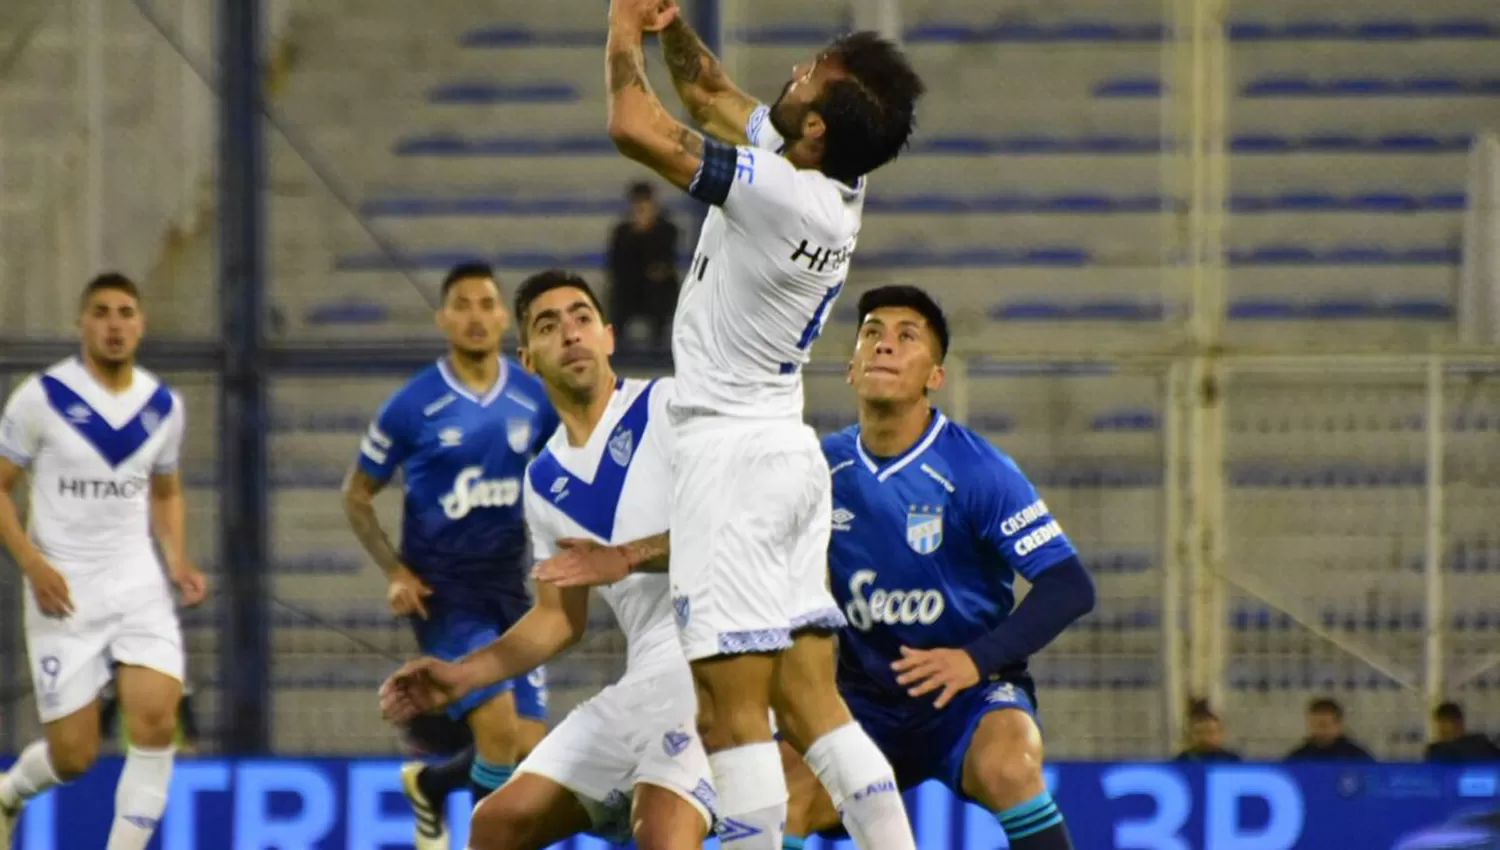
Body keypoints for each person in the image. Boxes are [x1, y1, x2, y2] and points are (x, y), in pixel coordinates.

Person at [535, 286, 1095, 850]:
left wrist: (975, 660)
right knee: (782, 798)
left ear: (935, 377)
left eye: (907, 337)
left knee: (1010, 764)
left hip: (966, 698)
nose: (884, 346)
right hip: (862, 700)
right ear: (851, 367)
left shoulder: (977, 471)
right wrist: (625, 556)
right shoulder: (819, 465)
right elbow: (723, 538)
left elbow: (1069, 585)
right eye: (872, 333)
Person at [603, 0, 925, 846]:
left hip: (732, 461)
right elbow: (707, 91)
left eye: (807, 74)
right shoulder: (830, 173)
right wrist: (669, 22)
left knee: (731, 716)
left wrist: (620, 27)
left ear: (814, 126)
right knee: (814, 706)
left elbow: (637, 127)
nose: (790, 73)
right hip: (785, 452)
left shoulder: (779, 193)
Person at [380, 270, 714, 850]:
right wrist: (460, 677)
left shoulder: (668, 405)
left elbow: (733, 529)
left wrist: (628, 556)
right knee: (496, 825)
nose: (570, 333)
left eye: (582, 317)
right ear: (527, 358)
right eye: (549, 324)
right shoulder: (543, 479)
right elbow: (560, 618)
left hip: (720, 659)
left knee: (661, 831)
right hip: (648, 677)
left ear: (608, 337)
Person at [342, 262, 557, 850]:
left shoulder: (533, 397)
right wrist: (395, 570)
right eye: (462, 305)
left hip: (513, 589)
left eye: (487, 304)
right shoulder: (414, 404)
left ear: (502, 318)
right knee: (498, 731)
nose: (476, 316)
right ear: (443, 318)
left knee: (530, 750)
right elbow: (357, 494)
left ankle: (433, 786)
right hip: (445, 594)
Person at [0, 273, 209, 850]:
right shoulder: (40, 398)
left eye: (125, 313)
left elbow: (165, 491)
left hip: (137, 586)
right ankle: (10, 792)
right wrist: (33, 565)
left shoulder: (163, 406)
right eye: (102, 313)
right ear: (81, 324)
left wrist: (177, 561)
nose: (114, 325)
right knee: (75, 756)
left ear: (141, 324)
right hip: (62, 592)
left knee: (156, 722)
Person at [606, 182, 680, 353]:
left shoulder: (666, 230)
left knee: (660, 287)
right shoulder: (622, 232)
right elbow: (617, 265)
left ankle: (659, 343)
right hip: (630, 287)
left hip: (655, 289)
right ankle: (618, 346)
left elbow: (665, 262)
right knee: (620, 290)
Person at [1285, 697, 1375, 761]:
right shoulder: (1298, 758)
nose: (1319, 730)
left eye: (1323, 725)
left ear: (1339, 725)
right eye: (1313, 725)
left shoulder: (1357, 758)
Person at [1426, 702, 1500, 763]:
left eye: (1445, 722)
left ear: (1459, 723)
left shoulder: (1479, 744)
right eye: (1439, 723)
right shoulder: (1434, 750)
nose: (1440, 728)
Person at [1174, 699, 1241, 762]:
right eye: (1199, 733)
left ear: (1221, 733)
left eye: (1210, 732)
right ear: (1190, 735)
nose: (1205, 737)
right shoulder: (1180, 762)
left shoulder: (1233, 761)